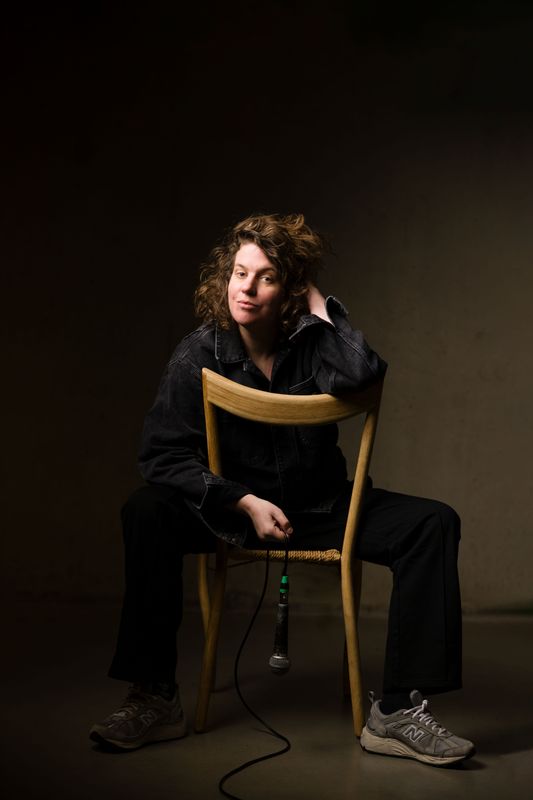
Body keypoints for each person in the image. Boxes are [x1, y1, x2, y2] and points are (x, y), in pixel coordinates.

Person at [90, 213, 475, 766]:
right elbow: (160, 455)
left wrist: (317, 307)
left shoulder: (315, 345)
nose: (246, 288)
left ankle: (395, 714)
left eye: (266, 277)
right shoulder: (198, 353)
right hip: (233, 511)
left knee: (434, 522)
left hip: (318, 508)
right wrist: (241, 500)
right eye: (239, 273)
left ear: (290, 289)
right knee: (145, 510)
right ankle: (154, 697)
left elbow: (363, 374)